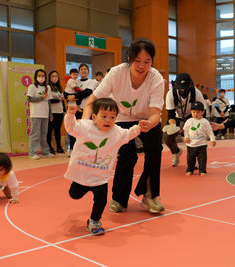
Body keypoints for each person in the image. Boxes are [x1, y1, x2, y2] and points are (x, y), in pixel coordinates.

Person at [83, 38, 165, 214]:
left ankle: (150, 195)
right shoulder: (116, 73)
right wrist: (84, 124)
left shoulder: (156, 78)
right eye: (137, 61)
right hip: (121, 119)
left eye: (147, 62)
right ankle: (119, 198)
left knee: (154, 151)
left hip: (147, 119)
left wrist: (149, 124)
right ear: (129, 57)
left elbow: (156, 113)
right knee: (127, 157)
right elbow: (92, 100)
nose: (142, 66)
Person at [64, 98, 141, 235]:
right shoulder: (85, 127)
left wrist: (139, 127)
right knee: (74, 195)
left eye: (112, 117)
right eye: (104, 116)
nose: (108, 120)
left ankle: (94, 221)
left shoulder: (116, 132)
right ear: (94, 117)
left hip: (100, 177)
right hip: (82, 175)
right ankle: (78, 188)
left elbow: (128, 134)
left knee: (101, 201)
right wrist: (70, 115)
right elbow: (71, 127)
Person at [163, 73, 205, 167]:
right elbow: (170, 115)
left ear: (190, 85)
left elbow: (202, 114)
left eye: (185, 88)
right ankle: (176, 152)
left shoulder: (197, 93)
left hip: (192, 117)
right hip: (176, 118)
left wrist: (189, 128)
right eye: (181, 88)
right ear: (175, 85)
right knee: (167, 137)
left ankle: (195, 159)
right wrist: (173, 127)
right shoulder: (170, 94)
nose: (183, 90)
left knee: (194, 135)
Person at [183, 101, 216, 176]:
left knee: (202, 159)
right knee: (190, 159)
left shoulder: (205, 122)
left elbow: (209, 131)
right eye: (193, 112)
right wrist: (186, 137)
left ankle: (202, 170)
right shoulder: (189, 121)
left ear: (202, 112)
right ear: (191, 112)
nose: (195, 114)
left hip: (202, 145)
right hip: (191, 145)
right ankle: (190, 170)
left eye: (198, 112)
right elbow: (185, 130)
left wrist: (212, 139)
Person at [27, 69, 53, 159]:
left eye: (43, 76)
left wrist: (51, 114)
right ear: (36, 77)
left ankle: (45, 152)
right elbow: (29, 99)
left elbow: (49, 101)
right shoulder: (32, 86)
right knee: (35, 134)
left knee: (44, 134)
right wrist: (41, 98)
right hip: (35, 114)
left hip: (45, 114)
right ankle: (32, 153)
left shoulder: (48, 87)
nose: (41, 77)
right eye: (39, 75)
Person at [47, 70, 65, 154]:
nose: (54, 78)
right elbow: (48, 100)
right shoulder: (48, 87)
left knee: (58, 130)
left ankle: (59, 147)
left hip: (60, 111)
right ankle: (49, 147)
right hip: (52, 112)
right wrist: (58, 100)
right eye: (52, 76)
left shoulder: (59, 88)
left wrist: (64, 110)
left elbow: (62, 100)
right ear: (49, 78)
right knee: (49, 130)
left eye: (56, 76)